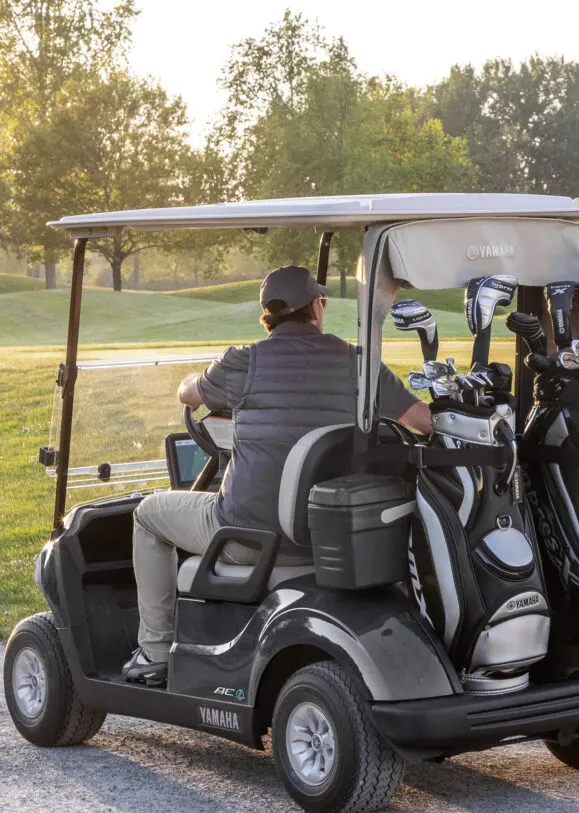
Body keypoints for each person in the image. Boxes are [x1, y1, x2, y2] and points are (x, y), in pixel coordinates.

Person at [123, 264, 432, 685]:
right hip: (331, 538)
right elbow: (422, 420)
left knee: (147, 514)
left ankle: (155, 651)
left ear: (266, 316)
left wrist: (194, 378)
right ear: (316, 308)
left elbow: (188, 393)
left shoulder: (241, 363)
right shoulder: (358, 365)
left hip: (248, 538)